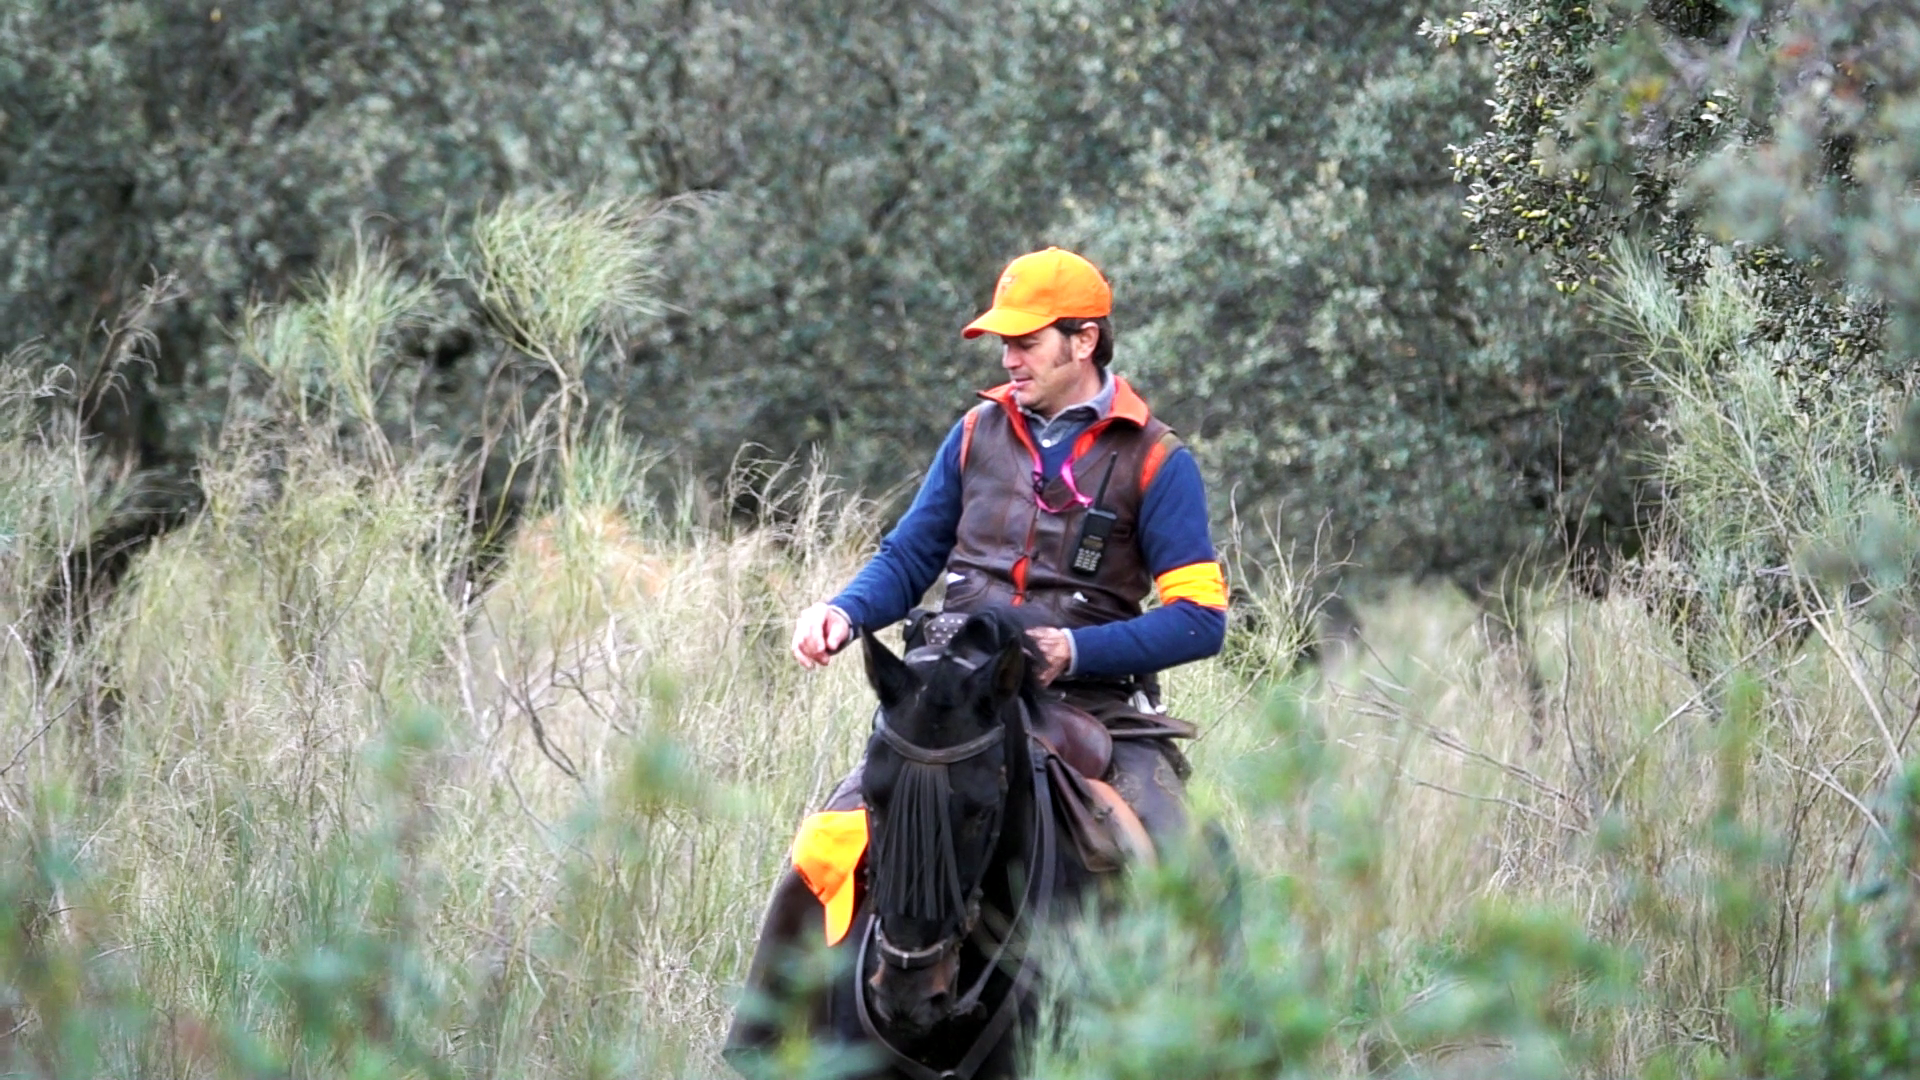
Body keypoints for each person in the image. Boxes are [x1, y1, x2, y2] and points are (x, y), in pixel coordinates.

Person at [725, 246, 1228, 1060]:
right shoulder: (974, 432)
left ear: (1085, 340)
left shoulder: (1159, 459)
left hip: (1087, 705)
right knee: (823, 849)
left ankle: (1218, 1051)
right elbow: (910, 556)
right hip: (954, 691)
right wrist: (843, 613)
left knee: (1187, 865)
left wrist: (1076, 648)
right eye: (1005, 341)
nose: (1009, 357)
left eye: (1028, 341)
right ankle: (765, 1051)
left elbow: (1201, 620)